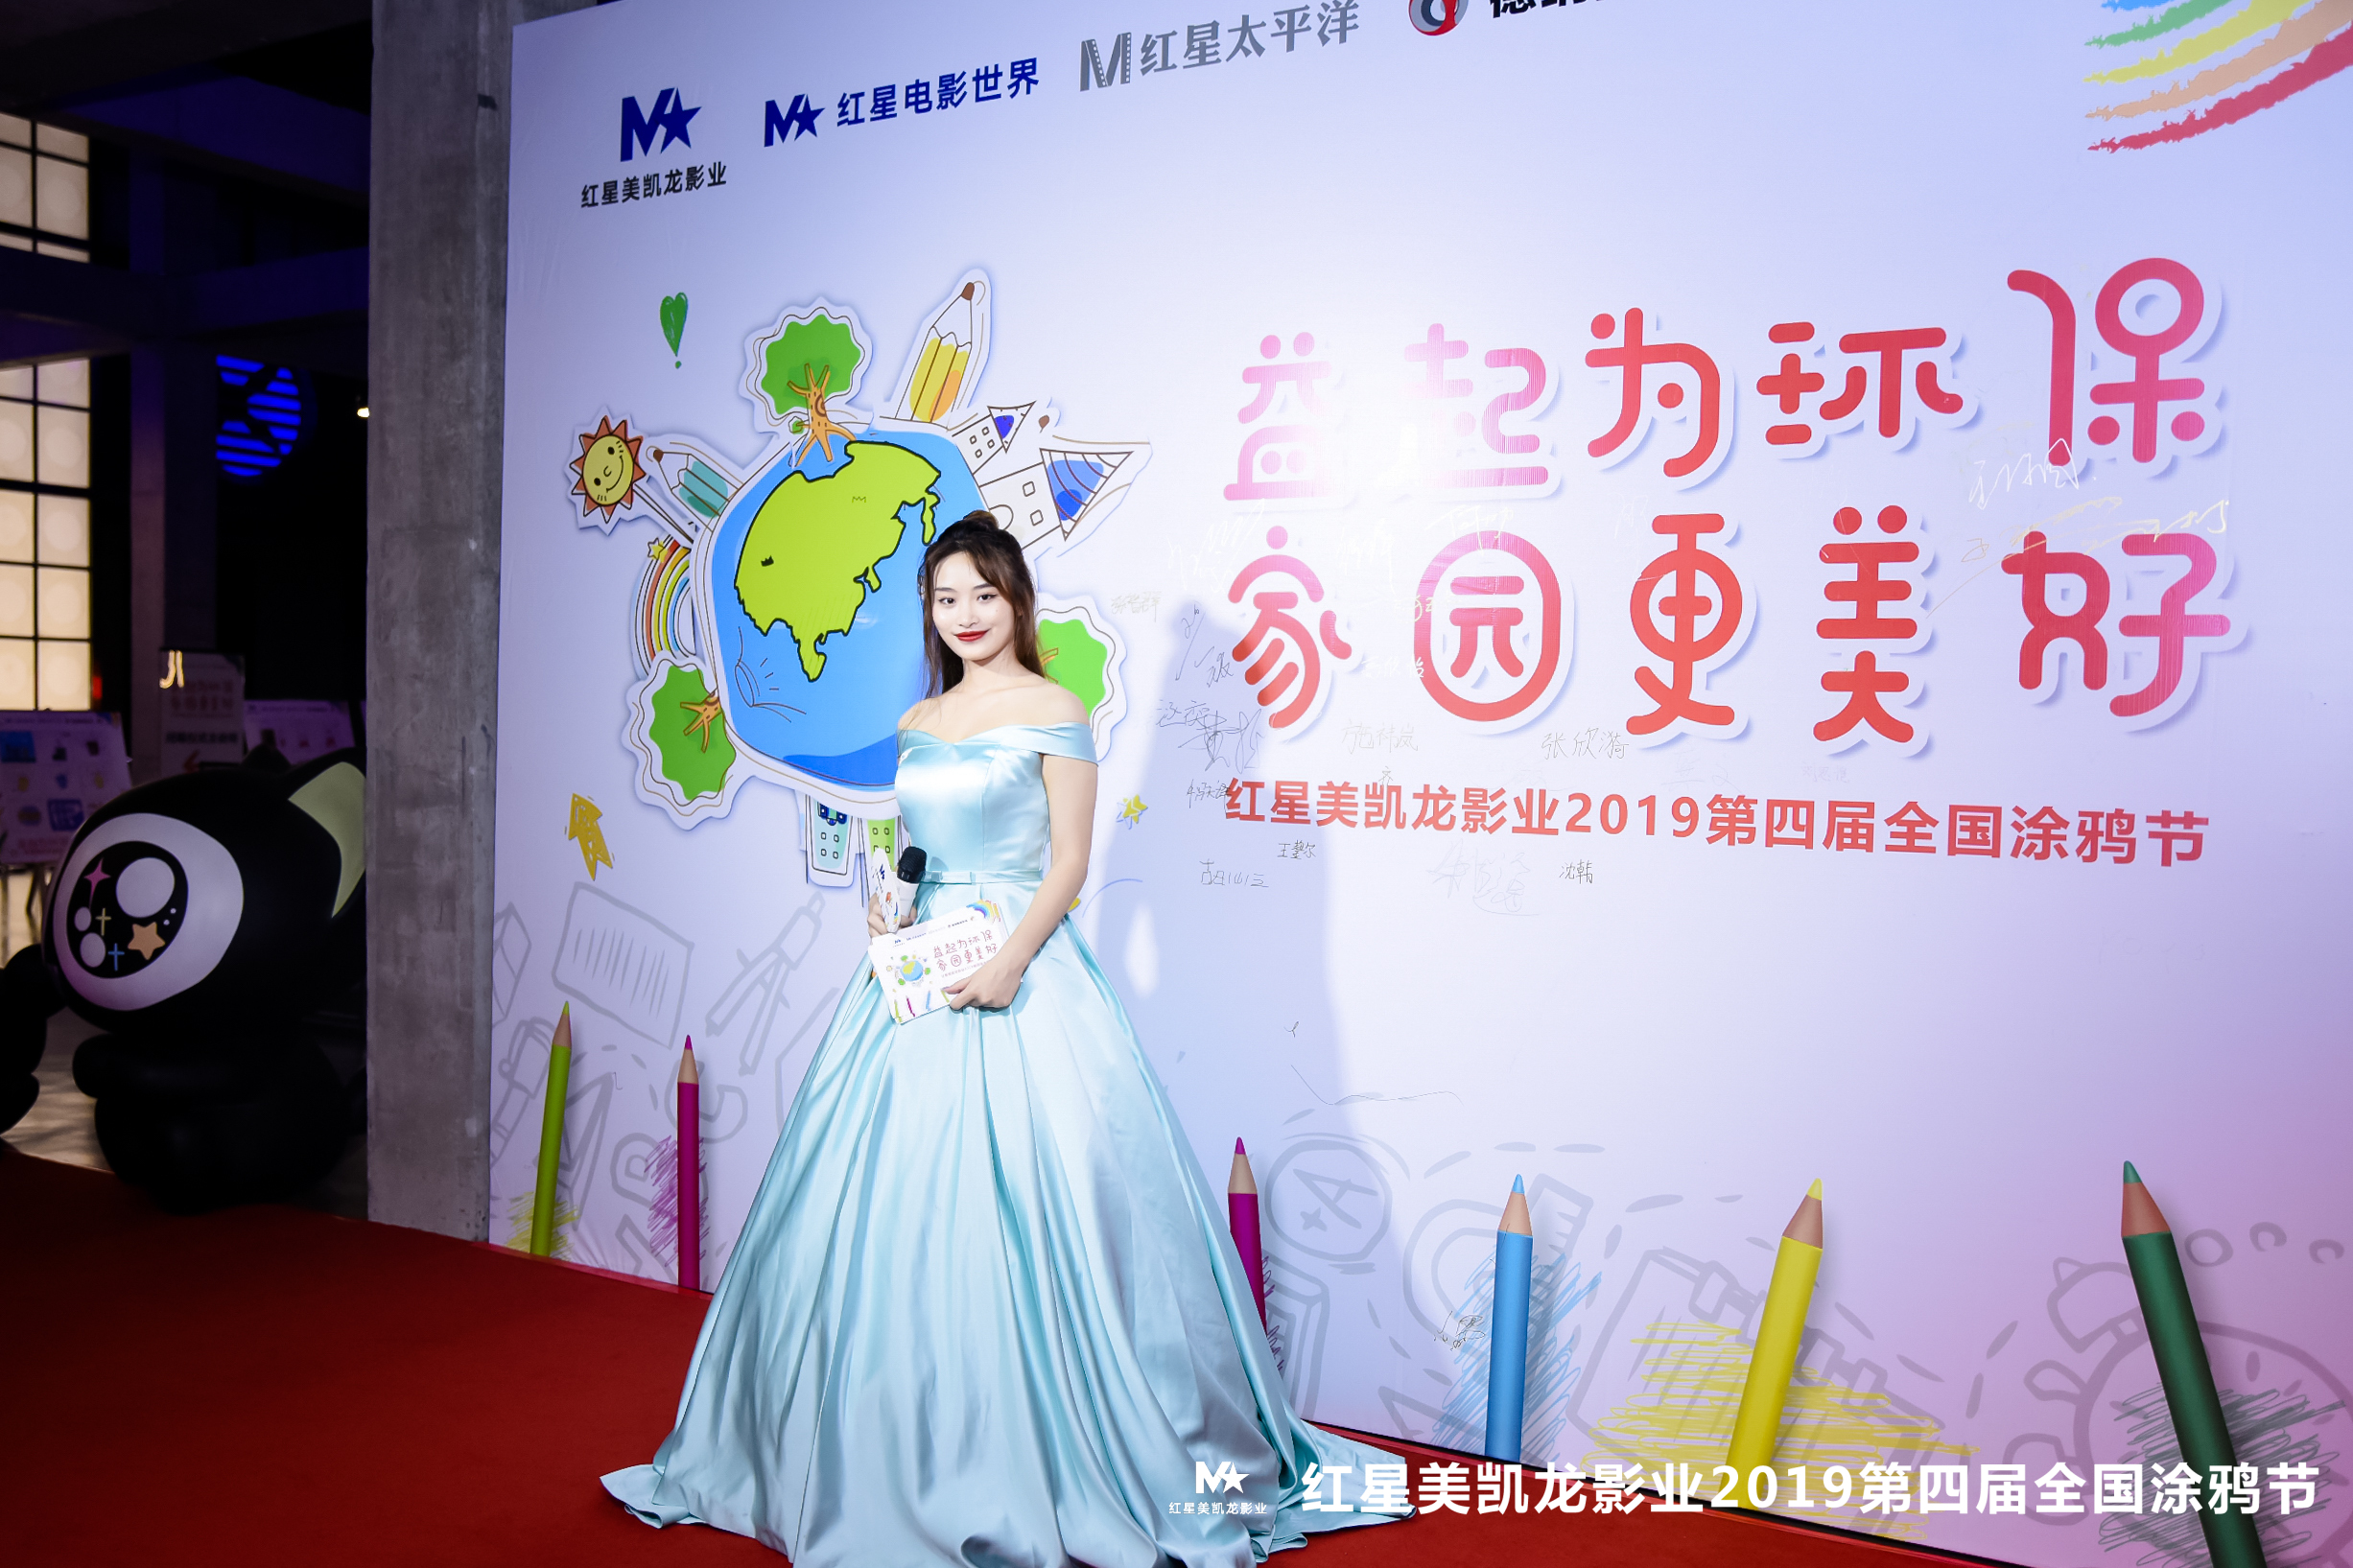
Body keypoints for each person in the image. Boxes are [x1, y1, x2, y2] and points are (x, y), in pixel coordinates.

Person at [602, 512, 1415, 1564]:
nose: (966, 614)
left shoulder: (1053, 708)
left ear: (1016, 599)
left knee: (1059, 1204)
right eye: (946, 598)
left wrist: (1010, 960)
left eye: (983, 594)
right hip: (919, 970)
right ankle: (867, 1462)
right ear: (928, 611)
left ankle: (1068, 1456)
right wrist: (891, 913)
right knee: (879, 1213)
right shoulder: (918, 719)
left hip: (1025, 967)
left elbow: (1068, 861)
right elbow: (914, 851)